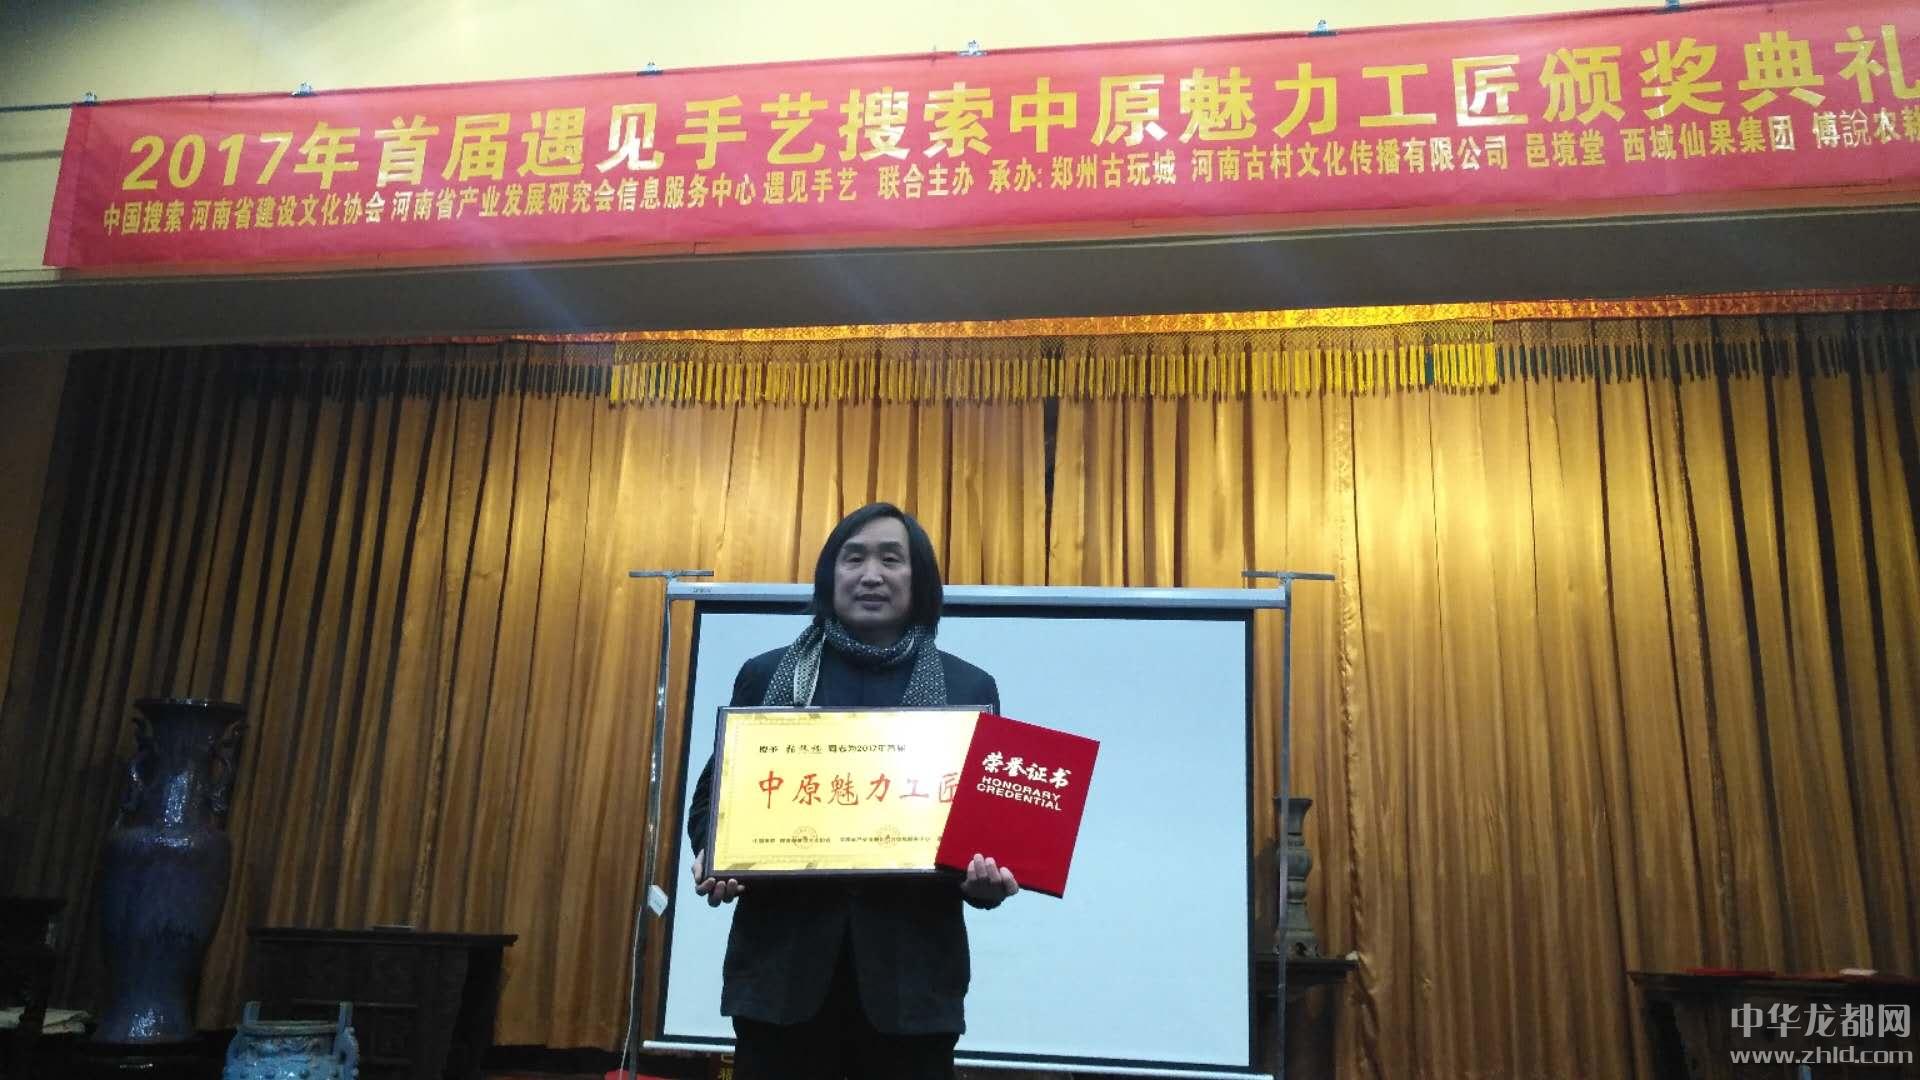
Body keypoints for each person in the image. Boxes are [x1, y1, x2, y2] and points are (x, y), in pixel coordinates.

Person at [685, 502, 1019, 1080]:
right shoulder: (768, 675)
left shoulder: (967, 688)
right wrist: (716, 856)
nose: (871, 575)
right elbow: (710, 804)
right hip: (780, 982)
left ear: (919, 579)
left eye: (891, 559)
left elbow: (987, 840)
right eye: (853, 558)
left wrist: (986, 883)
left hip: (912, 991)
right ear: (829, 575)